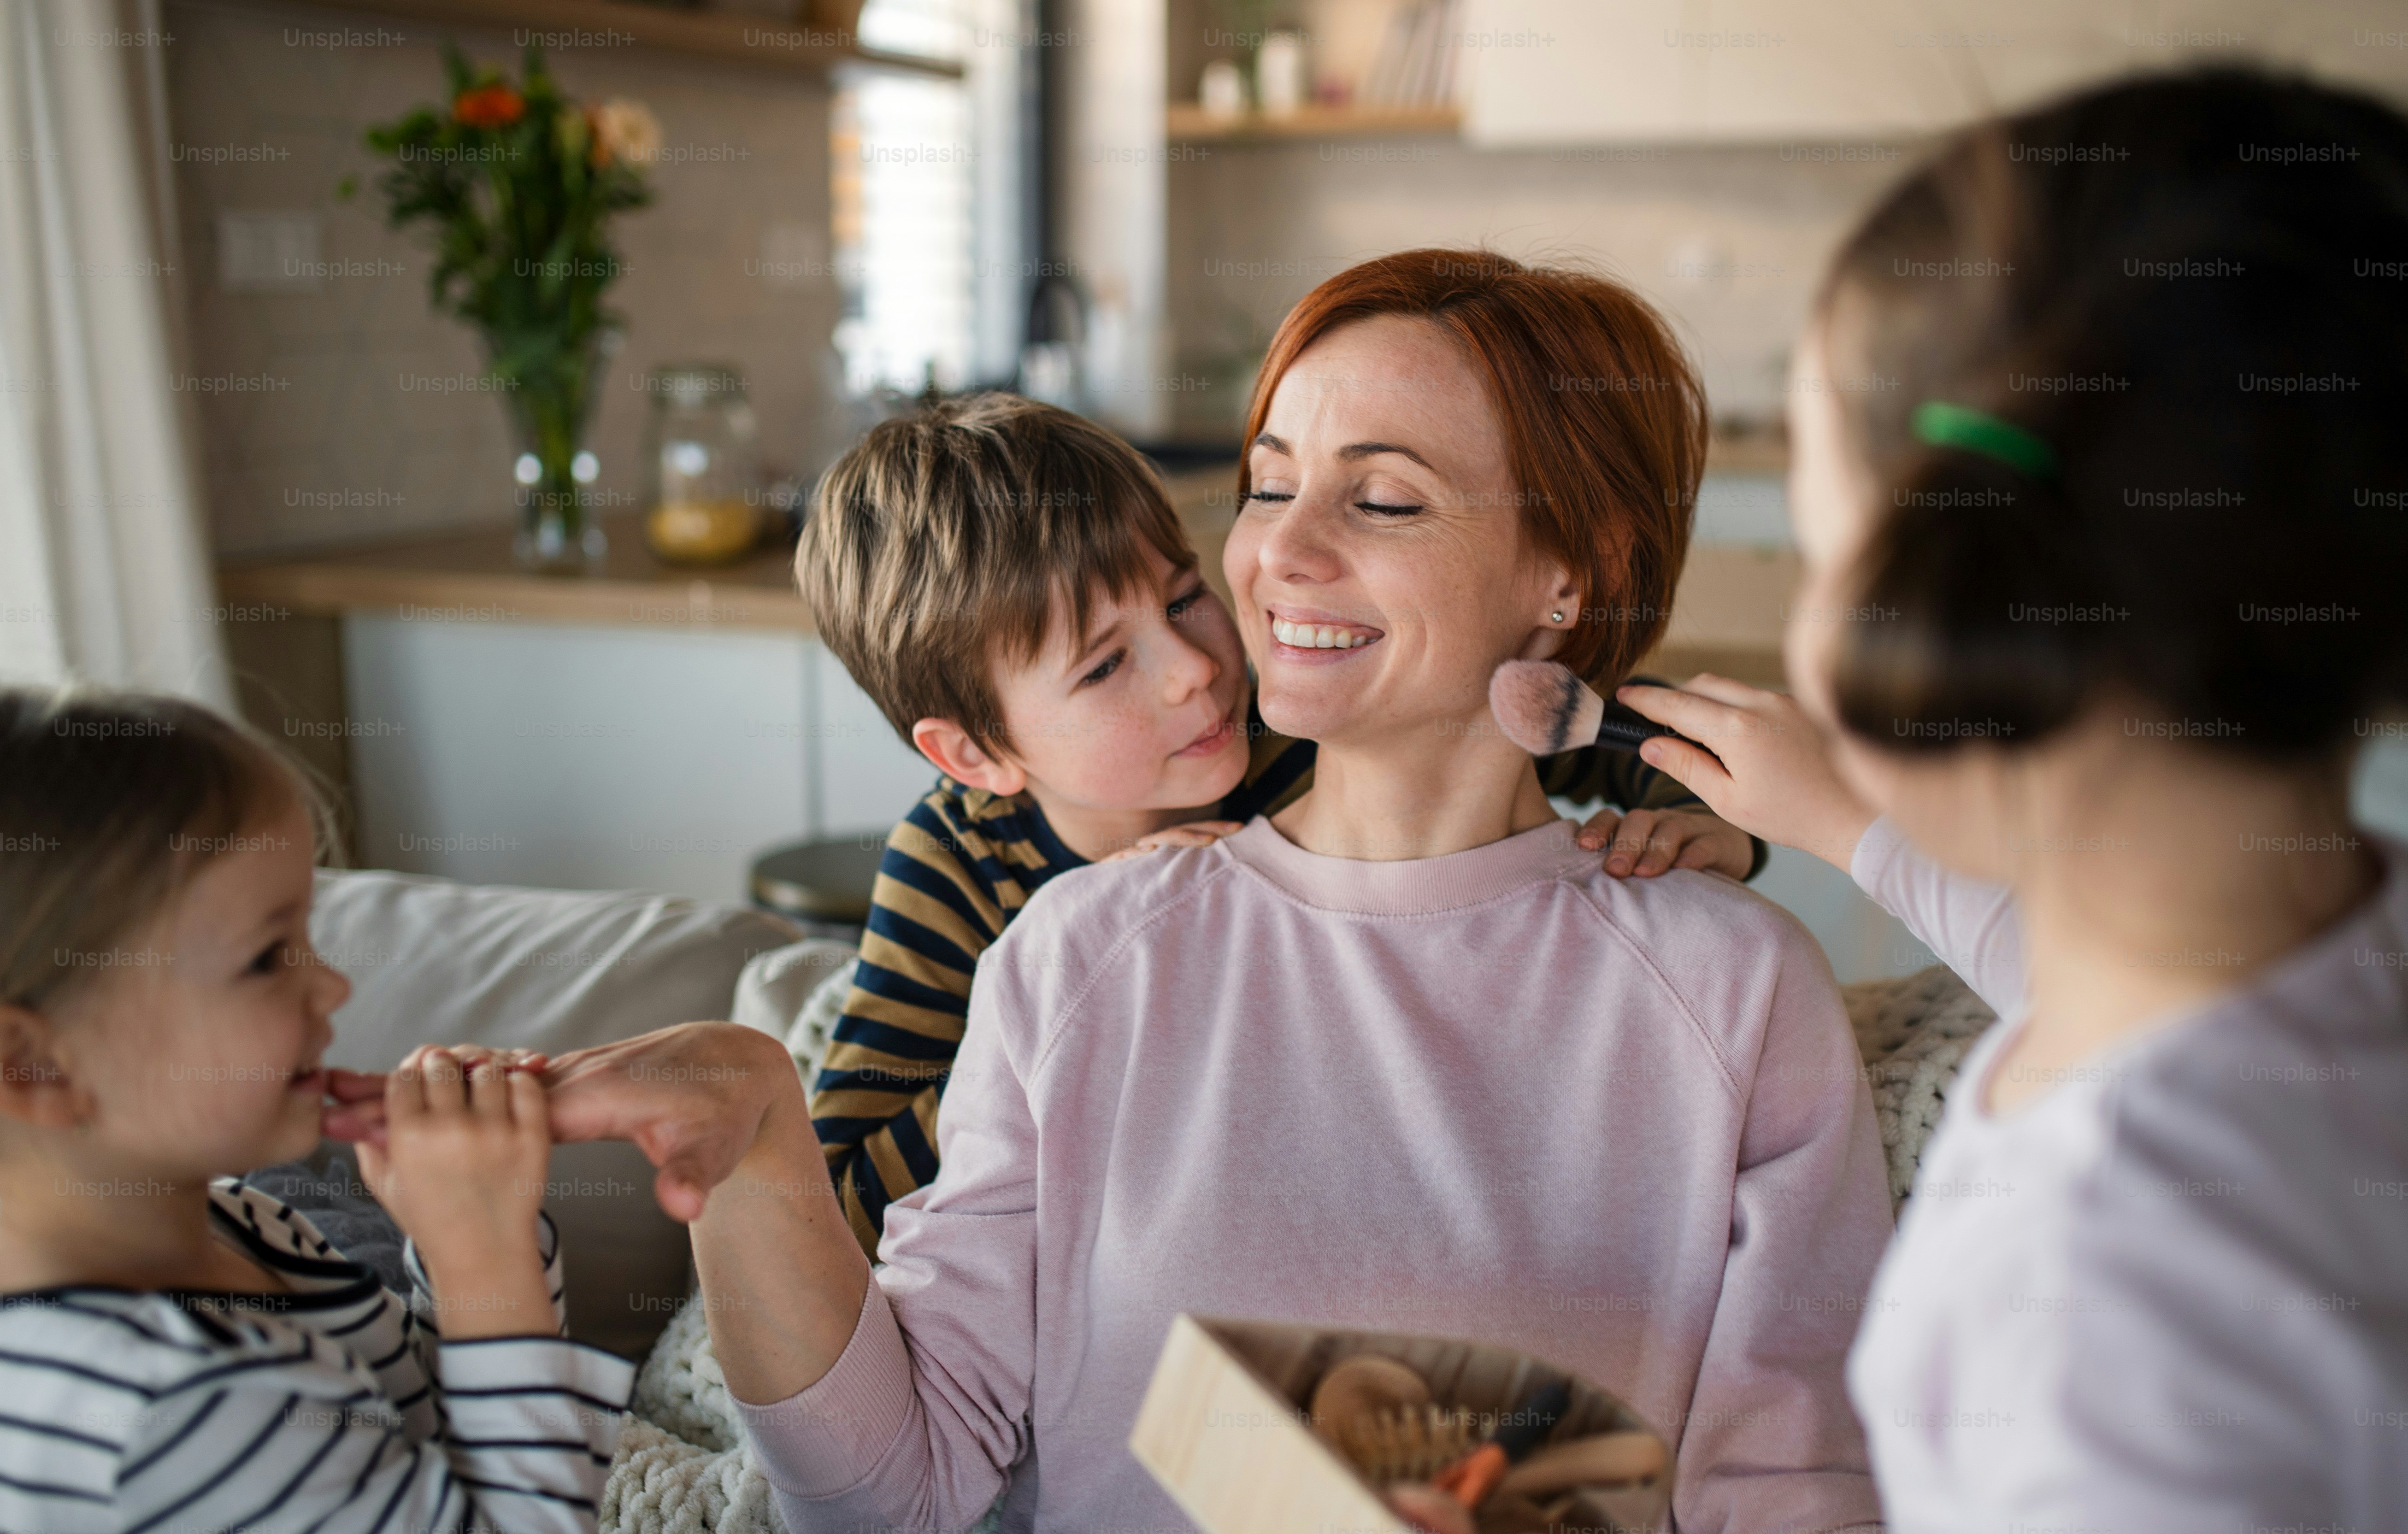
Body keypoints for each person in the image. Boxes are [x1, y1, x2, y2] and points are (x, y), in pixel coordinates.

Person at [456, 249, 1893, 1534]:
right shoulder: (1072, 951)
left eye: (1383, 496)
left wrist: (1736, 835)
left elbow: (1792, 1490)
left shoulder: (1733, 988)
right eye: (1270, 483)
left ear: (1572, 576)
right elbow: (891, 1498)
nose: (1278, 558)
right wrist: (759, 1148)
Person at [1619, 68, 2408, 1530]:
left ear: (1940, 611)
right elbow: (2071, 978)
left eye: (1813, 549)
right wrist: (1853, 825)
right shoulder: (2317, 953)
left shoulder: (2112, 1303)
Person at [794, 393, 1764, 1252]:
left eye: (1183, 598)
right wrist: (1064, 1012)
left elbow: (1603, 723)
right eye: (1103, 666)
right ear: (976, 755)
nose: (1196, 667)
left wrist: (1709, 823)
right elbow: (837, 1204)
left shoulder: (1295, 728)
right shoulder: (955, 862)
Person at [0, 687, 631, 1534]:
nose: (332, 985)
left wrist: (471, 1243)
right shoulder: (168, 1406)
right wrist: (486, 1259)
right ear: (32, 1064)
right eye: (268, 957)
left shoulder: (247, 1223)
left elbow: (447, 1451)